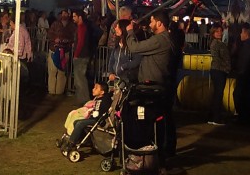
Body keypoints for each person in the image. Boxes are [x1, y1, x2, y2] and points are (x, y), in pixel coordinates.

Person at [125, 10, 175, 159]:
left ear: (159, 23)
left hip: (154, 87)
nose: (150, 24)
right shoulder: (162, 39)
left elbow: (135, 48)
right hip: (156, 85)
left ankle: (157, 151)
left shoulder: (160, 40)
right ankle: (163, 151)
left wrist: (130, 32)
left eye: (152, 21)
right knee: (162, 120)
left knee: (156, 121)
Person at [58, 81, 113, 152]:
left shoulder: (105, 99)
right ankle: (84, 139)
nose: (93, 89)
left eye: (96, 88)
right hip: (93, 118)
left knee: (80, 124)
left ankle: (71, 143)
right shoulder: (98, 99)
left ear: (102, 92)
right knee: (76, 122)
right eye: (94, 87)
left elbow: (108, 100)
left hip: (98, 120)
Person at [232, 23, 250, 126]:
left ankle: (243, 118)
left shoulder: (248, 46)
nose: (240, 35)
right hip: (247, 74)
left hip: (245, 75)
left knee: (241, 96)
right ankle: (245, 118)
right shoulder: (249, 45)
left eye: (242, 32)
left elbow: (245, 61)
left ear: (246, 34)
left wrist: (241, 72)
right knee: (244, 96)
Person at [47, 9, 76, 95]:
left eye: (66, 13)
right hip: (54, 49)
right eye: (63, 13)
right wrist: (55, 39)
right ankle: (51, 91)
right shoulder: (55, 24)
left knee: (62, 72)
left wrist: (68, 41)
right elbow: (49, 34)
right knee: (52, 71)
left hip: (65, 50)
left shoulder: (71, 25)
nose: (64, 15)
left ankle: (59, 91)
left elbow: (74, 37)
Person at [208, 24, 231, 126]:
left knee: (217, 94)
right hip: (219, 71)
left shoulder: (218, 43)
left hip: (218, 70)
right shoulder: (216, 44)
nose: (219, 33)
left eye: (220, 31)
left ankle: (213, 117)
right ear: (213, 33)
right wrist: (226, 68)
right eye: (217, 31)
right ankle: (216, 118)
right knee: (218, 94)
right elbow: (217, 58)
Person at [107, 19, 142, 84]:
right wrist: (111, 72)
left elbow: (137, 60)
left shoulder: (132, 44)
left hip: (127, 80)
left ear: (123, 28)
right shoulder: (117, 44)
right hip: (117, 80)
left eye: (118, 27)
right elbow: (112, 59)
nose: (115, 28)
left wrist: (123, 67)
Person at [71, 9, 95, 104]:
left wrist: (76, 54)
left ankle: (84, 100)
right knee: (79, 79)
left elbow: (80, 42)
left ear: (79, 17)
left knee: (80, 79)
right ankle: (81, 99)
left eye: (74, 16)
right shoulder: (82, 27)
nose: (73, 18)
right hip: (82, 55)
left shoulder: (81, 27)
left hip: (81, 56)